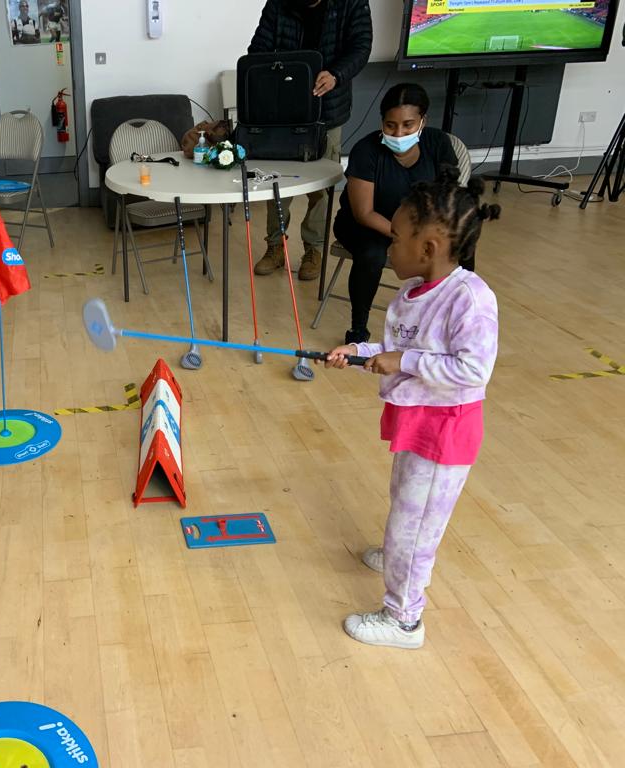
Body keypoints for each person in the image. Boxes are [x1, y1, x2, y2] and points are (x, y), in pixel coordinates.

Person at [324, 170, 501, 649]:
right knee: (405, 500)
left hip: (445, 432)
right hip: (417, 420)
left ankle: (404, 620)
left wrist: (402, 360)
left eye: (396, 239)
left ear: (429, 247)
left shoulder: (470, 300)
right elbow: (398, 348)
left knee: (415, 526)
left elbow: (472, 370)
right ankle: (397, 550)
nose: (389, 247)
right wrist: (362, 353)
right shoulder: (412, 293)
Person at [248, 0, 373, 281]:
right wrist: (276, 77)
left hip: (327, 111)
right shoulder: (278, 5)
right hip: (282, 111)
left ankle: (313, 250)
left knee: (320, 186)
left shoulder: (351, 4)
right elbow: (257, 50)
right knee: (277, 183)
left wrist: (336, 75)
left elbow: (361, 47)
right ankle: (275, 247)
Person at [334, 83, 461, 344]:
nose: (399, 132)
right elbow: (364, 213)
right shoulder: (366, 151)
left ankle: (455, 321)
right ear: (382, 122)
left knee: (458, 251)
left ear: (423, 121)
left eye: (408, 125)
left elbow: (448, 197)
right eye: (390, 125)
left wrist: (426, 233)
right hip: (368, 225)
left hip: (419, 226)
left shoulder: (438, 143)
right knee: (372, 254)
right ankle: (359, 327)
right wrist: (406, 237)